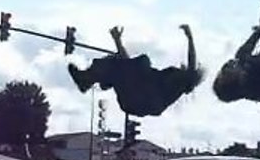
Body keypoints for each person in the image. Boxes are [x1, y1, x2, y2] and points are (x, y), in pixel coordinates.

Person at [67, 24, 203, 117]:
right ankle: (89, 79)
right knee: (121, 64)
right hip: (136, 100)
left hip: (140, 99)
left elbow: (192, 62)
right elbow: (128, 66)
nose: (181, 67)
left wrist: (190, 37)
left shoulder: (182, 81)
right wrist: (118, 41)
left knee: (139, 62)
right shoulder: (164, 81)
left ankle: (87, 79)